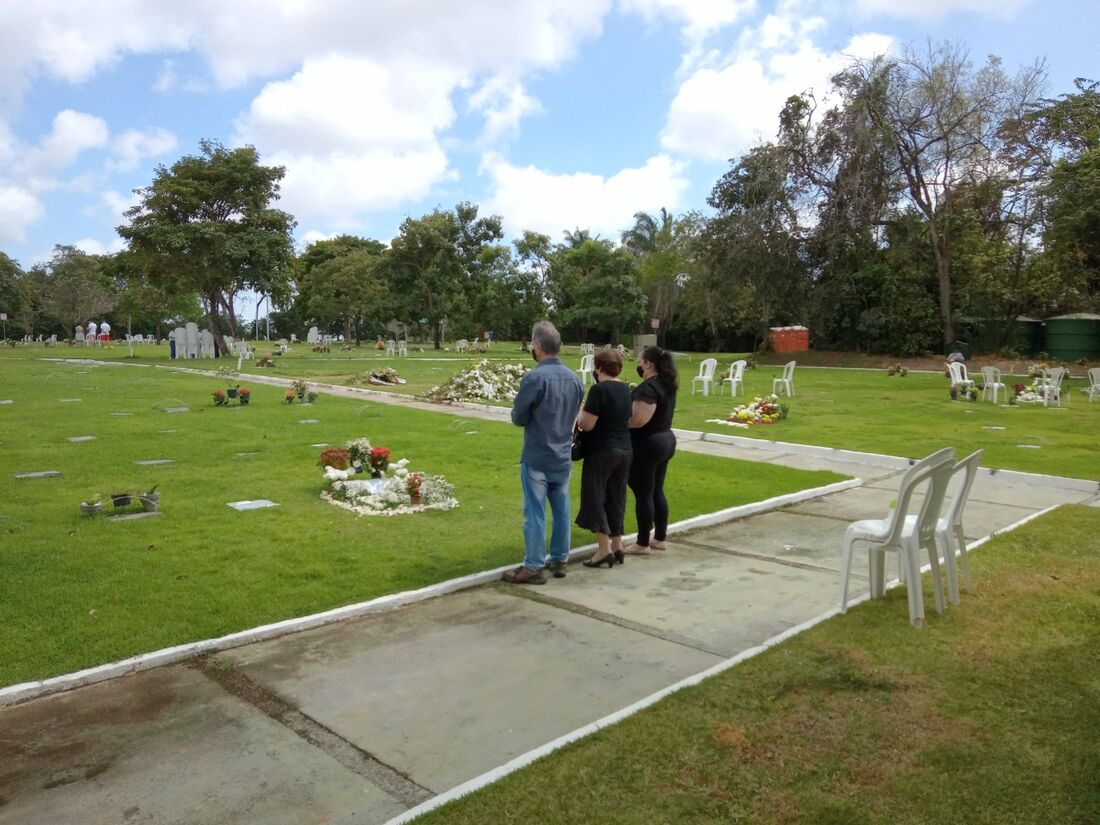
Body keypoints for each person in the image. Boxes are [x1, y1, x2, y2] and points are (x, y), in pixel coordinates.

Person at [504, 321, 584, 585]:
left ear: (537, 347)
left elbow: (519, 417)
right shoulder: (574, 379)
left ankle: (534, 565)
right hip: (562, 453)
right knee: (561, 509)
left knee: (535, 512)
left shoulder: (535, 377)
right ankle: (560, 558)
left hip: (538, 454)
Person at [575, 349, 632, 569]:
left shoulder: (599, 390)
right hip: (625, 448)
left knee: (595, 495)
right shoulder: (626, 389)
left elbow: (586, 424)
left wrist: (580, 412)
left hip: (602, 449)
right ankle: (617, 543)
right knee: (616, 495)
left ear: (598, 368)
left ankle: (603, 548)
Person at [624, 346, 678, 555]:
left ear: (648, 363)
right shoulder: (667, 385)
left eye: (640, 361)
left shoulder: (648, 389)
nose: (638, 364)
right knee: (656, 489)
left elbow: (638, 421)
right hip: (665, 440)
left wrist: (618, 422)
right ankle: (659, 537)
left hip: (648, 443)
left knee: (644, 492)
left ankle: (643, 542)